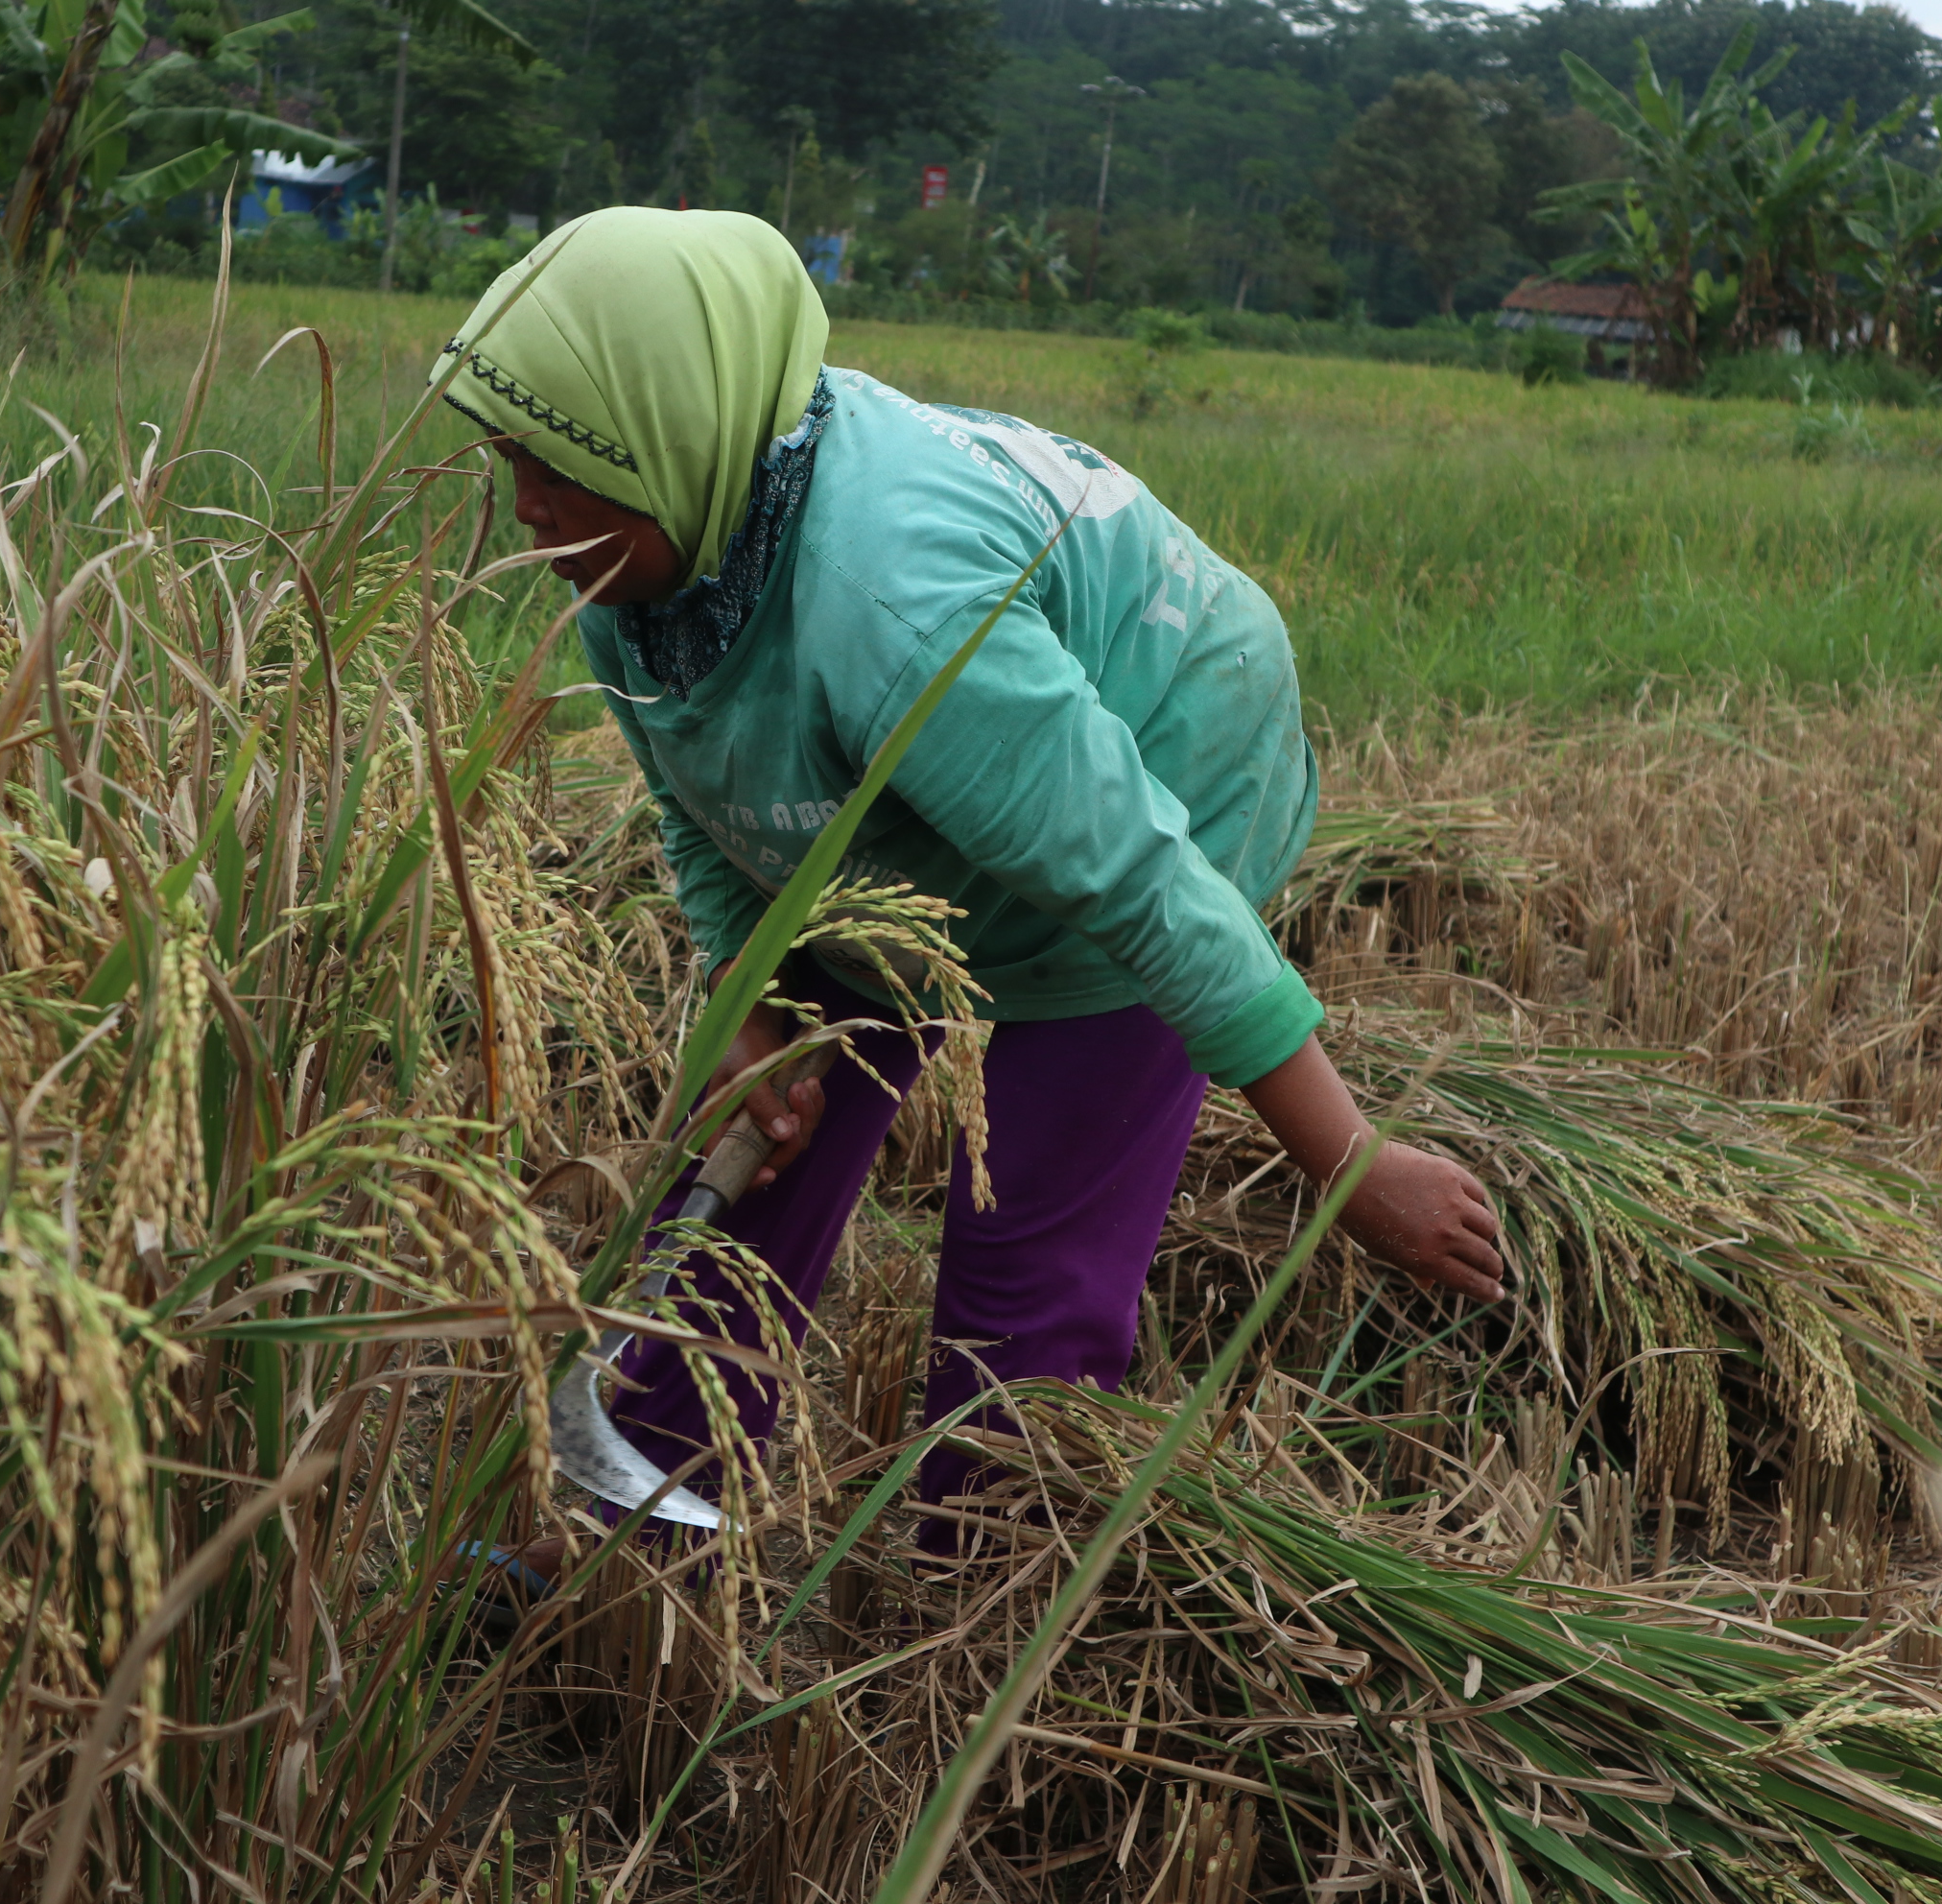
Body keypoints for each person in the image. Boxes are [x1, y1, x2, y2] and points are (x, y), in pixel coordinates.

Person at [444, 207, 1503, 1563]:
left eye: (559, 474)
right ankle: (629, 1517)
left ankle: (984, 1601)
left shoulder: (901, 614)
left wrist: (1351, 1161)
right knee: (749, 1158)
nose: (526, 509)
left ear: (667, 435)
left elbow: (1144, 885)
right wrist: (750, 1009)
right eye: (512, 467)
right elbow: (701, 803)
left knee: (1025, 1282)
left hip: (1159, 746)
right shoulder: (638, 560)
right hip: (876, 803)